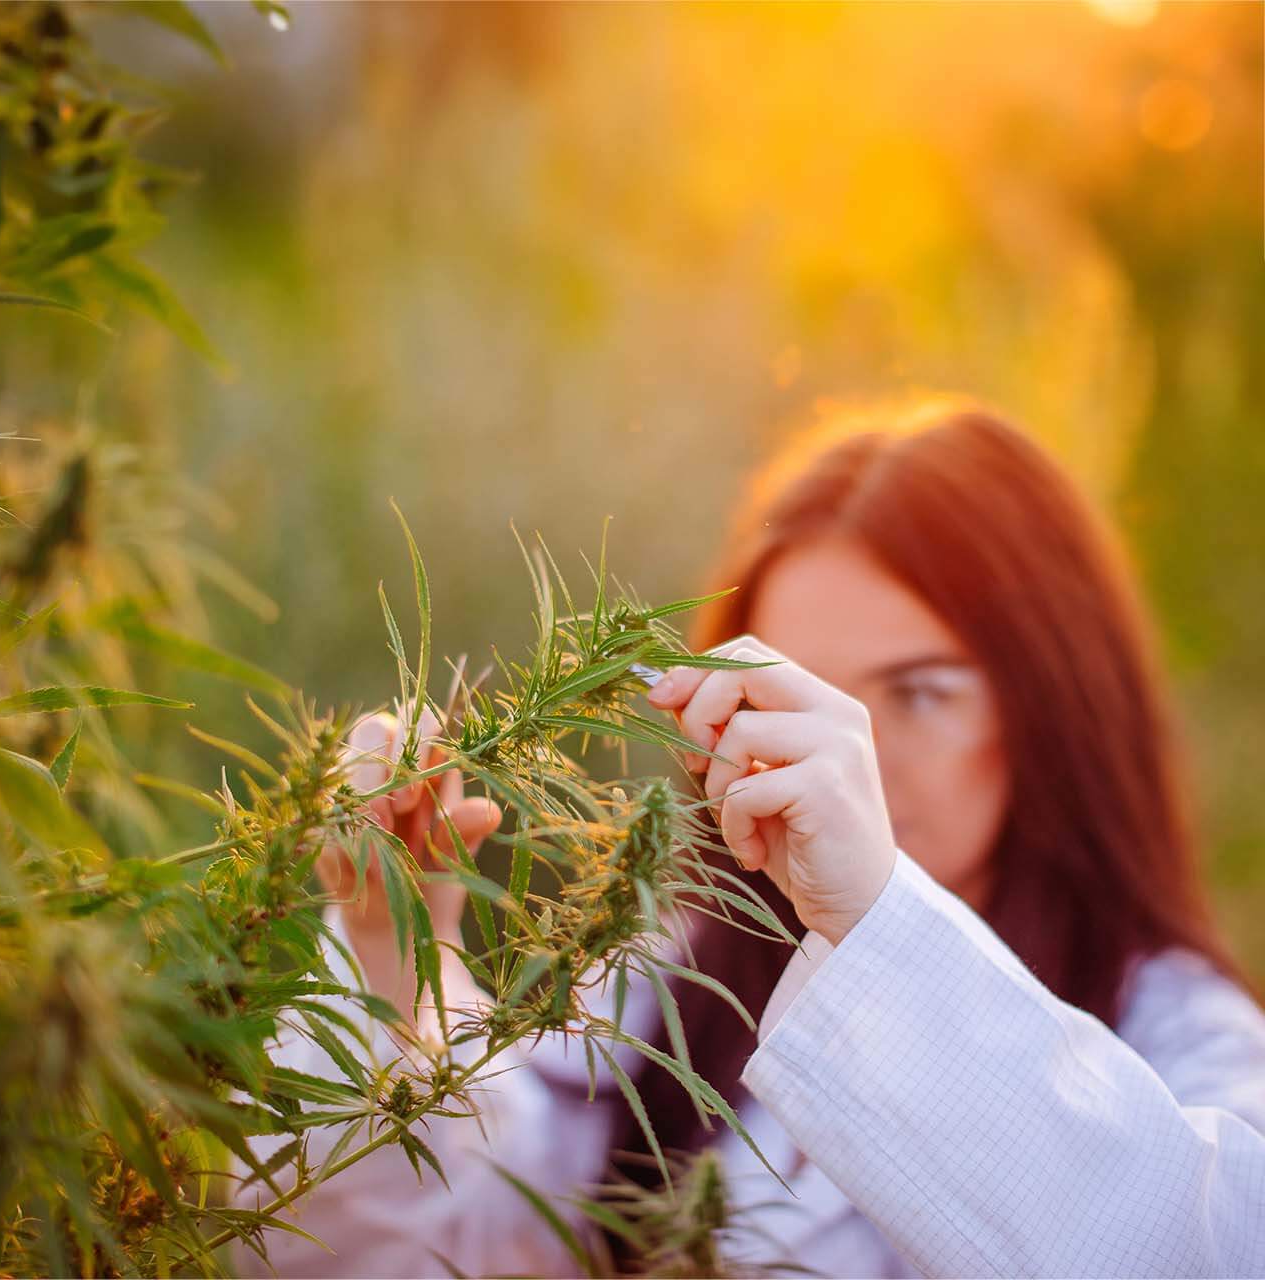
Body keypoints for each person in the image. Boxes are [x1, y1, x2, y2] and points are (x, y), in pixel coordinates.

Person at [256, 399, 1265, 1277]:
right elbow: (427, 1251)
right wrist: (393, 974)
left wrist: (874, 917)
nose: (841, 758)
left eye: (917, 692)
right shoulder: (673, 990)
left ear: (1051, 707)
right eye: (795, 700)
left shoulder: (1183, 1037)